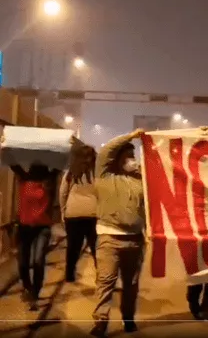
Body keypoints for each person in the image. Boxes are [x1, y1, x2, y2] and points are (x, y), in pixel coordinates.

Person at [90, 129, 145, 338]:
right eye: (128, 155)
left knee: (131, 284)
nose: (132, 160)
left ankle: (128, 319)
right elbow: (106, 150)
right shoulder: (104, 175)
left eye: (134, 156)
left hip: (135, 240)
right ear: (119, 158)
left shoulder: (139, 180)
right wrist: (131, 136)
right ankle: (101, 322)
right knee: (106, 281)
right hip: (109, 238)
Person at [10, 164, 60, 311]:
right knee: (23, 263)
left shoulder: (48, 183)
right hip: (25, 227)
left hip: (42, 228)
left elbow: (57, 167)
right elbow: (15, 166)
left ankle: (35, 293)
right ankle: (27, 287)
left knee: (38, 260)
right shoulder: (24, 181)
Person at [59, 145, 98, 282]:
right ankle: (102, 276)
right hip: (93, 214)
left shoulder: (71, 172)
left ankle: (69, 275)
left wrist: (63, 211)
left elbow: (63, 192)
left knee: (73, 247)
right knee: (96, 247)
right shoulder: (98, 172)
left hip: (73, 213)